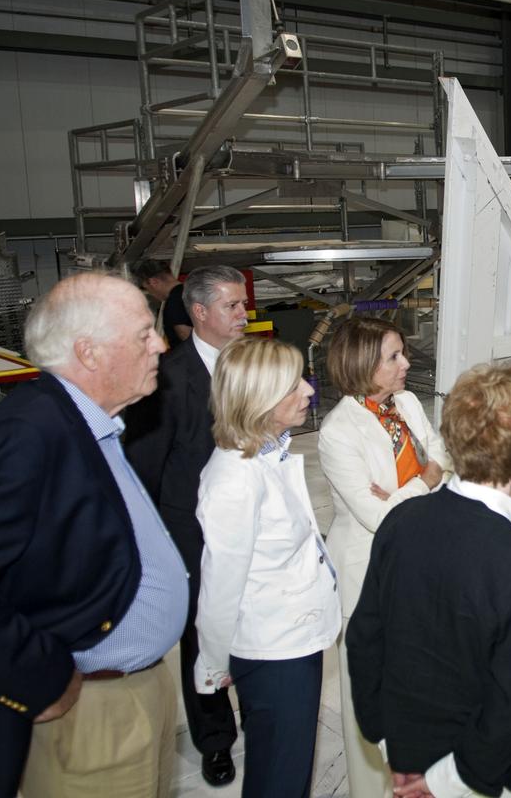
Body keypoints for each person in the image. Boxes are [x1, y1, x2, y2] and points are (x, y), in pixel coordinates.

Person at [0, 271, 187, 798]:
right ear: (91, 352)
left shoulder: (91, 420)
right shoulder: (31, 428)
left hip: (137, 690)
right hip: (89, 712)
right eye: (144, 334)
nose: (162, 344)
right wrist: (41, 675)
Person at [347, 363, 511, 798]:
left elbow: (364, 638)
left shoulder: (400, 521)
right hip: (487, 775)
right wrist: (448, 781)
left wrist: (390, 743)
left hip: (407, 754)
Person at [193, 337, 341, 798]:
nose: (309, 391)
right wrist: (213, 667)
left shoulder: (264, 454)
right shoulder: (234, 479)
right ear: (258, 398)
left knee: (289, 769)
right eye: (293, 384)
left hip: (294, 639)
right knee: (279, 777)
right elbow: (219, 588)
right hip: (274, 652)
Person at [124, 263, 249, 787]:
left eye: (244, 304)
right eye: (233, 306)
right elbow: (144, 471)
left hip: (250, 524)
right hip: (193, 533)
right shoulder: (168, 381)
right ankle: (215, 739)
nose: (245, 314)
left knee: (251, 625)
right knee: (204, 637)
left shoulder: (252, 364)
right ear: (199, 312)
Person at [317, 315, 451, 797]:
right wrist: (425, 479)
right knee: (368, 697)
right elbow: (377, 517)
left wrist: (415, 483)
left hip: (421, 565)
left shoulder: (409, 403)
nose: (406, 364)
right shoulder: (337, 432)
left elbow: (444, 455)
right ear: (361, 363)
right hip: (367, 575)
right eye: (393, 356)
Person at [133, 258, 192, 345]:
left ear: (153, 282)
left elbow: (184, 332)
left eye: (147, 288)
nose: (151, 293)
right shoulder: (192, 290)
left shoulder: (173, 301)